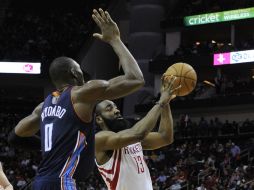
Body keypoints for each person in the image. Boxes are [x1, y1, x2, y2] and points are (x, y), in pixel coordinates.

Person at [8, 8, 144, 190]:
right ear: (74, 72)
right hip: (62, 182)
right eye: (80, 69)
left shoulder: (42, 107)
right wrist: (115, 40)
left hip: (40, 182)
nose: (83, 73)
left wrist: (51, 149)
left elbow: (15, 137)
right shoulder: (82, 94)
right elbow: (136, 79)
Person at [95, 76, 179, 190]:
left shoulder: (130, 138)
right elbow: (139, 133)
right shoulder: (99, 139)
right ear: (99, 119)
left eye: (115, 107)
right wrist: (161, 102)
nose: (117, 111)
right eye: (109, 109)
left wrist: (166, 102)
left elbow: (165, 137)